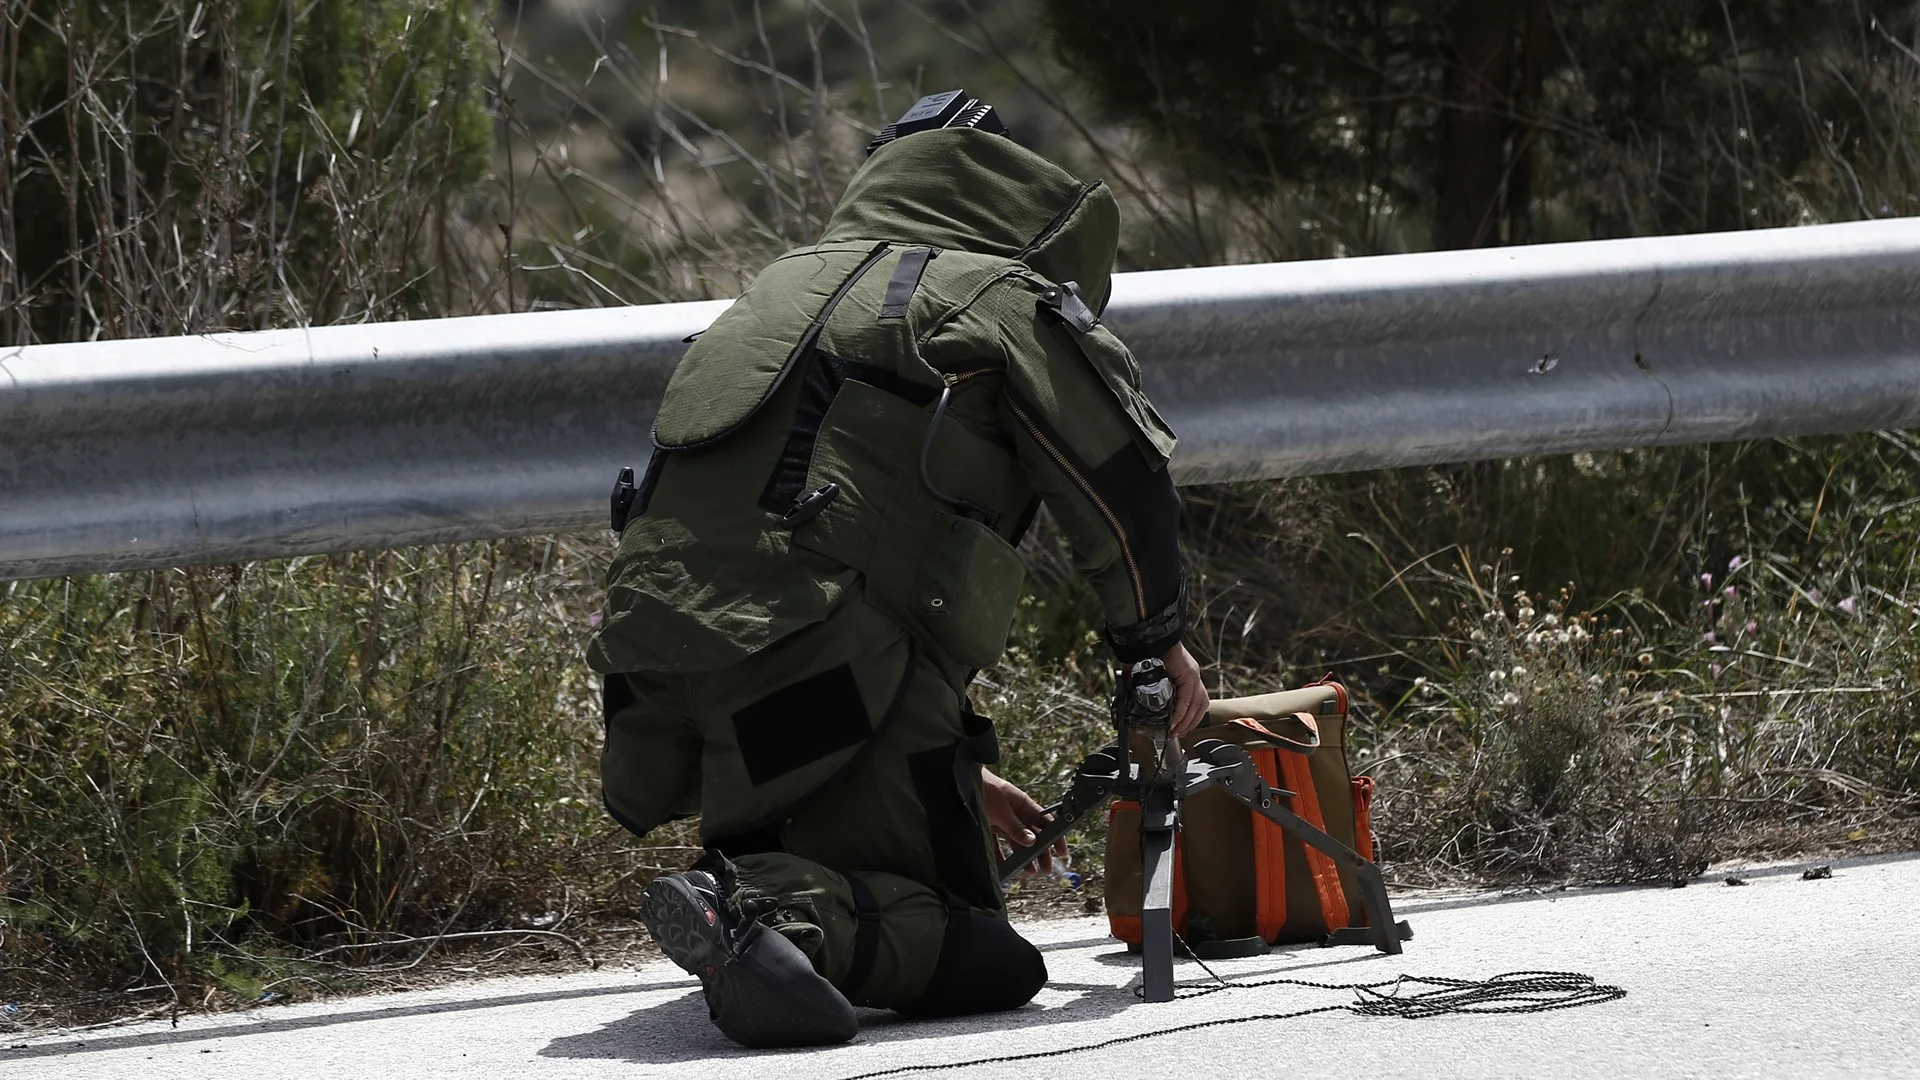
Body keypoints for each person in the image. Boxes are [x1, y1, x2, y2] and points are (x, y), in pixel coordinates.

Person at [586, 90, 1209, 1049]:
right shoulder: (996, 298)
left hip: (661, 678)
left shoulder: (779, 289)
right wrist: (1155, 640)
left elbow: (808, 546)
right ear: (1009, 188)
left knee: (871, 851)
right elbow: (1120, 482)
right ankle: (770, 912)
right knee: (989, 960)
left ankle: (752, 894)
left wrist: (956, 769)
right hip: (817, 671)